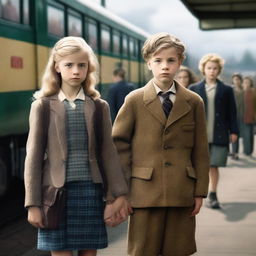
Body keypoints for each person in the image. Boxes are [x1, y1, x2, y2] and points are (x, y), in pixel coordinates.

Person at [24, 36, 131, 256]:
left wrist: (118, 195)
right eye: (69, 65)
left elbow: (108, 153)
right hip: (55, 194)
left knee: (89, 253)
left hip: (90, 191)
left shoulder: (99, 106)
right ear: (57, 67)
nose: (76, 71)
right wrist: (33, 204)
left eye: (82, 65)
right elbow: (33, 157)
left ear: (88, 68)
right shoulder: (42, 106)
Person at [112, 32, 209, 256]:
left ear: (180, 62)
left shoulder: (194, 102)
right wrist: (121, 192)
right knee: (142, 251)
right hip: (143, 193)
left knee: (179, 250)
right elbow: (119, 146)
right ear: (148, 63)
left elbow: (201, 150)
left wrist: (200, 192)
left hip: (182, 191)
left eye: (171, 60)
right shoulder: (134, 100)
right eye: (158, 60)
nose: (164, 66)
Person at [190, 53, 238, 209]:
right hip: (198, 135)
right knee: (198, 166)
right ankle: (196, 193)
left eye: (215, 68)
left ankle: (213, 193)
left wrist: (234, 131)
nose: (212, 71)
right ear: (203, 69)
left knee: (214, 165)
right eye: (209, 68)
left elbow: (232, 112)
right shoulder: (194, 89)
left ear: (219, 70)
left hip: (219, 133)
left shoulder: (226, 90)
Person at [230, 73, 244, 160]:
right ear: (233, 81)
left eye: (238, 79)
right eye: (235, 79)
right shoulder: (230, 90)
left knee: (237, 135)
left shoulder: (244, 91)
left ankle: (235, 152)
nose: (236, 81)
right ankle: (231, 152)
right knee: (231, 135)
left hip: (241, 116)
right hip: (231, 116)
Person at [242, 76, 256, 156]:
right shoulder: (242, 92)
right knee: (246, 135)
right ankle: (247, 151)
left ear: (250, 83)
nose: (246, 84)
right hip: (243, 116)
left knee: (251, 135)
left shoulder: (254, 92)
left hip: (252, 116)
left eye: (248, 82)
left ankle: (249, 150)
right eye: (245, 82)